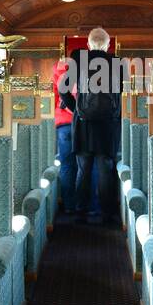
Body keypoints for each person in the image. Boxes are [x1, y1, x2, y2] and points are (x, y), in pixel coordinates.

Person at [58, 27, 122, 226]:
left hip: (83, 124)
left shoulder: (79, 60)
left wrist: (76, 108)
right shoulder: (118, 63)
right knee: (106, 170)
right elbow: (122, 95)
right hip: (108, 125)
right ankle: (107, 215)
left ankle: (80, 213)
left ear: (88, 44)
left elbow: (63, 89)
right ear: (108, 45)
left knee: (83, 170)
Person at [51, 55, 76, 215]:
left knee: (66, 164)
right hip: (83, 121)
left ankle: (69, 206)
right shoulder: (86, 70)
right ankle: (88, 207)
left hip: (63, 123)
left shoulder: (56, 71)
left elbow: (53, 97)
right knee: (87, 164)